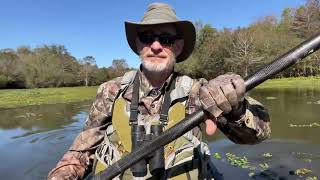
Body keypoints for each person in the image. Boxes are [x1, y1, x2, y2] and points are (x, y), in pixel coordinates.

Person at [48, 2, 271, 180]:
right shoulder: (110, 91)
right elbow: (81, 151)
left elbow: (258, 134)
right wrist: (63, 174)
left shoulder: (198, 92)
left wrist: (235, 107)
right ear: (138, 44)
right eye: (147, 37)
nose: (156, 46)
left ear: (178, 46)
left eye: (166, 39)